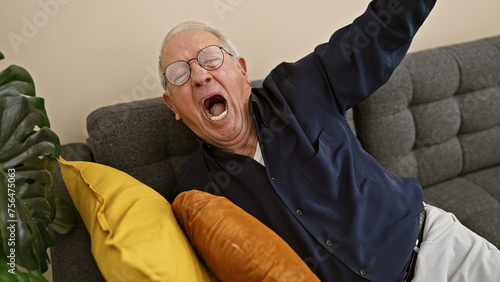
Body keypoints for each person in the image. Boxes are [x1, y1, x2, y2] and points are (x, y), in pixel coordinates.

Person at [158, 0, 500, 281]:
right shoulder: (198, 199)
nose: (200, 76)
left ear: (242, 71)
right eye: (179, 73)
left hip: (438, 251)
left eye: (210, 58)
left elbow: (381, 31)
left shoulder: (300, 89)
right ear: (172, 104)